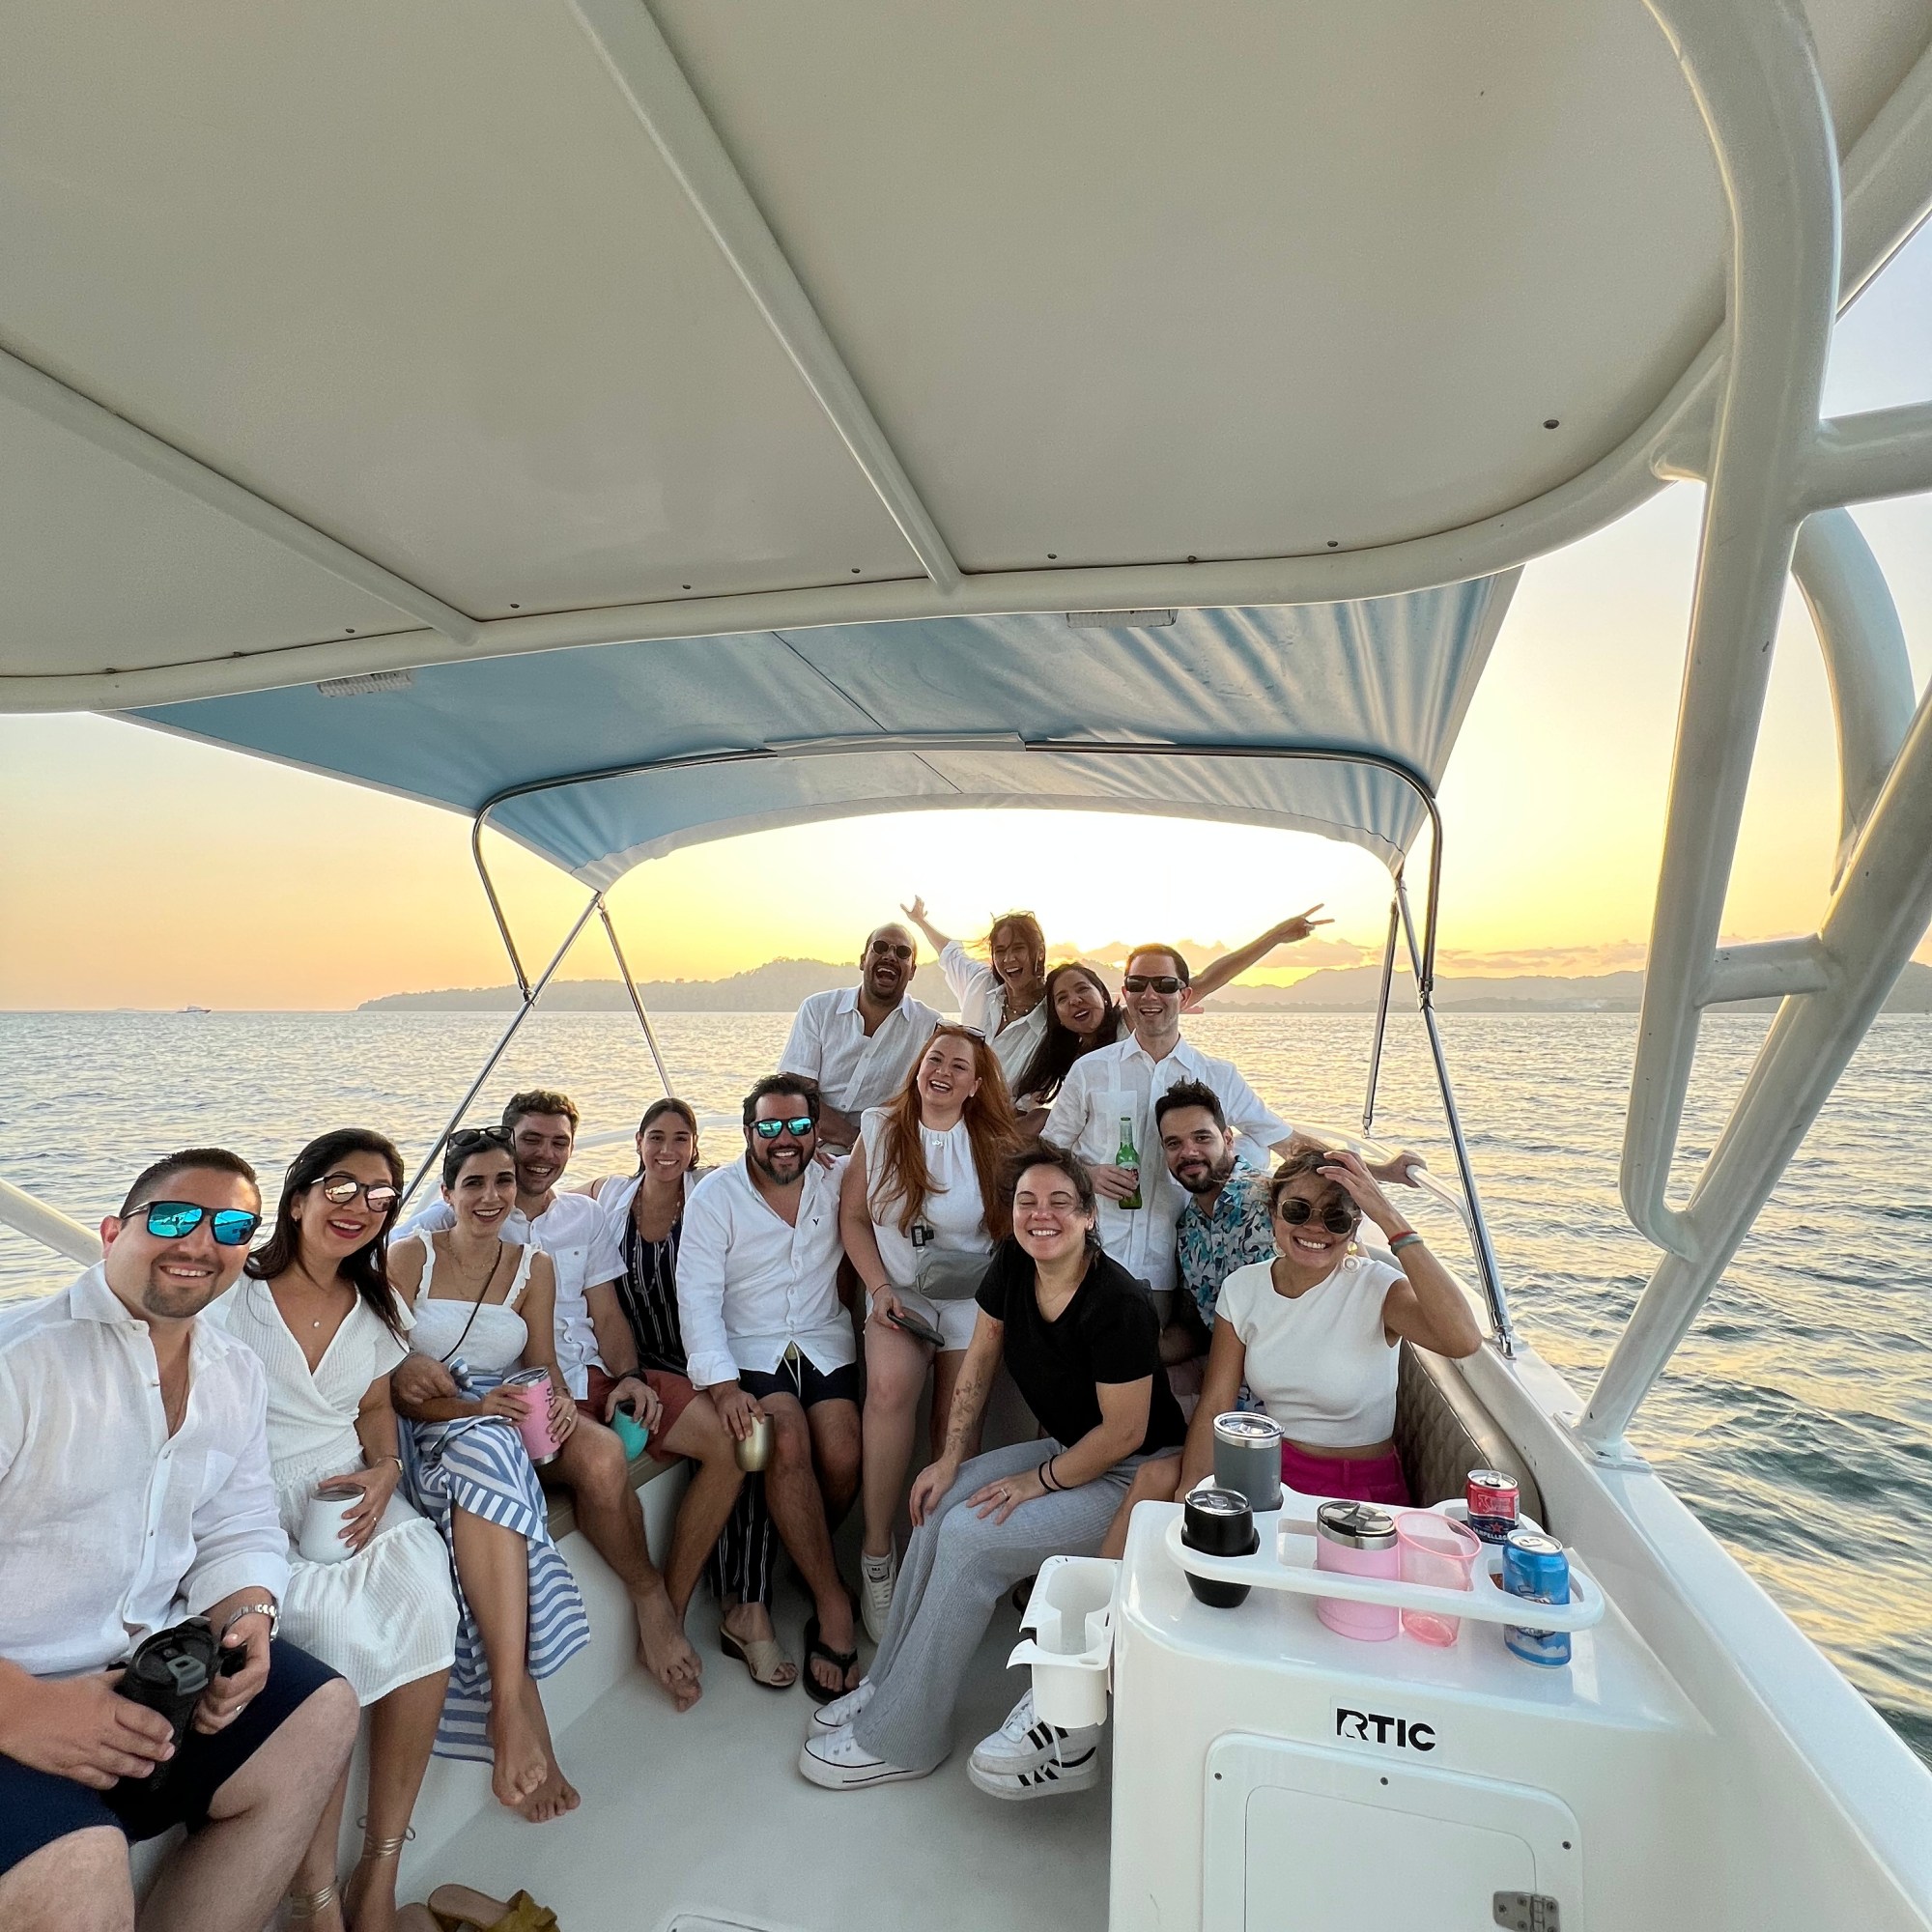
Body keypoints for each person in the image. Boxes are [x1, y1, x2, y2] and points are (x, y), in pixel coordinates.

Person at [0, 1149, 358, 1932]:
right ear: (110, 1233)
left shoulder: (233, 1372)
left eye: (230, 1226)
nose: (199, 1242)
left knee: (322, 1710)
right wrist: (20, 1707)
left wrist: (249, 1614)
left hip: (145, 1679)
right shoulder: (18, 1364)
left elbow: (240, 1520)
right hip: (15, 1692)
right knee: (80, 1863)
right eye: (171, 1217)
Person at [799, 1147, 1185, 1799]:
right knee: (938, 1506)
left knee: (972, 1541)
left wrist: (1039, 1481)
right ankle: (888, 1687)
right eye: (1027, 1202)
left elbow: (1125, 1432)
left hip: (1130, 1475)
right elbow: (978, 1362)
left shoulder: (1118, 1303)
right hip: (1072, 1450)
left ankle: (905, 1741)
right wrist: (950, 1459)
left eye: (1060, 1202)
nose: (1041, 1215)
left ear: (1090, 1216)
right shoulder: (1013, 1264)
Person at [396, 1091, 702, 1713]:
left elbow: (584, 1327)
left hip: (540, 1389)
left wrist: (597, 1384)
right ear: (450, 1189)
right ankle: (624, 1613)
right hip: (462, 1405)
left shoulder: (562, 1236)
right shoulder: (429, 1234)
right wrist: (409, 1370)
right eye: (530, 1141)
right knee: (584, 1462)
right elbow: (382, 1315)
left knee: (639, 1451)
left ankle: (662, 1597)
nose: (492, 1194)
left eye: (559, 1142)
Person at [220, 1131, 457, 1932]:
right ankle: (315, 1897)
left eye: (381, 1195)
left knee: (428, 1599)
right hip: (253, 1495)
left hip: (350, 1485)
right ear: (298, 1199)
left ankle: (379, 1867)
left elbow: (374, 1405)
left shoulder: (379, 1306)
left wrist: (386, 1469)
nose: (361, 1206)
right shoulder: (235, 1294)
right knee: (321, 1631)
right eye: (342, 1187)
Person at [386, 1129, 592, 1824]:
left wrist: (560, 1400)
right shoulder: (411, 1256)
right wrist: (455, 1395)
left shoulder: (534, 1266)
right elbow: (380, 1367)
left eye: (503, 1181)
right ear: (446, 1193)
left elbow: (541, 1363)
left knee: (494, 1454)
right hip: (423, 1425)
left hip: (497, 1426)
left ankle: (507, 1711)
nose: (491, 1196)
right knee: (491, 1455)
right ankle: (513, 1710)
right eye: (473, 1183)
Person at [1042, 943, 1418, 1308]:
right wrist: (1087, 1174)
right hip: (1087, 1252)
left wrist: (1383, 1171)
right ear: (1125, 994)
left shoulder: (1218, 1076)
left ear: (1184, 996)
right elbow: (1048, 1150)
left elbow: (1286, 1143)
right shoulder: (1090, 1071)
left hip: (1166, 1265)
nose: (1150, 994)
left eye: (1165, 984)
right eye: (1138, 984)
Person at [585, 1099, 789, 1690]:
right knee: (736, 1441)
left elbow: (767, 1185)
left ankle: (746, 1603)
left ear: (696, 1147)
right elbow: (556, 1200)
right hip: (637, 1363)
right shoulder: (610, 1199)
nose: (667, 1149)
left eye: (681, 1138)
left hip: (703, 1358)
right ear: (639, 1143)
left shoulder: (711, 1196)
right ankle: (714, 1601)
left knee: (752, 1440)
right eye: (656, 1137)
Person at [676, 1078, 863, 1701]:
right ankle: (830, 1601)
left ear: (817, 1132)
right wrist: (723, 1387)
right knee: (786, 1439)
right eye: (770, 1127)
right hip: (749, 1345)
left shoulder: (836, 1179)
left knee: (844, 1452)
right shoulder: (715, 1197)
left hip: (821, 1336)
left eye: (799, 1127)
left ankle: (804, 1555)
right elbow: (697, 1295)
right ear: (748, 1132)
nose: (786, 1140)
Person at [838, 1026, 1022, 1640]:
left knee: (957, 1427)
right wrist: (879, 1290)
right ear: (918, 1067)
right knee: (889, 1390)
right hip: (899, 1294)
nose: (942, 1071)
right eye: (934, 1059)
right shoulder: (879, 1129)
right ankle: (877, 1554)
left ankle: (937, 1559)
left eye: (958, 1066)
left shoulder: (992, 1142)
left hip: (970, 1298)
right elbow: (854, 1218)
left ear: (975, 1085)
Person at [1176, 1146, 1480, 1504]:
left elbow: (1463, 1339)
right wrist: (1190, 1491)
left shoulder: (1378, 1288)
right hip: (1271, 1476)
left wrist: (1388, 1216)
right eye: (1297, 1210)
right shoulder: (1242, 1289)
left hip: (1361, 1490)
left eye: (1335, 1218)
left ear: (1353, 1229)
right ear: (1273, 1213)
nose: (1315, 1228)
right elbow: (1216, 1404)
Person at [779, 923, 942, 1149]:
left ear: (912, 971)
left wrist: (871, 1149)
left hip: (883, 1148)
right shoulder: (818, 1009)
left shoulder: (929, 1026)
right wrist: (854, 1141)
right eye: (880, 947)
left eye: (902, 952)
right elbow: (796, 1091)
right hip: (808, 1142)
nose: (890, 956)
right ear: (863, 960)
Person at [897, 900, 1051, 1089]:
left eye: (1018, 948)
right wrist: (921, 921)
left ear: (1040, 952)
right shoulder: (981, 983)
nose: (1008, 959)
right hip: (947, 1100)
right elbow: (950, 953)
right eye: (1000, 951)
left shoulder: (1052, 1019)